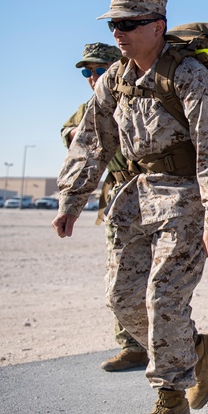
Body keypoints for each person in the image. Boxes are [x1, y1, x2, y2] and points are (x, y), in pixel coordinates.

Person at [52, 0, 208, 414]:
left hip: (184, 200)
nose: (118, 32)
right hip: (133, 199)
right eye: (114, 24)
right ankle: (198, 349)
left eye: (129, 24)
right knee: (122, 299)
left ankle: (170, 406)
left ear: (157, 26)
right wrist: (71, 198)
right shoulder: (114, 78)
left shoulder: (189, 75)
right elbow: (92, 141)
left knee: (163, 298)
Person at [62, 42, 149, 372]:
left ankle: (178, 345)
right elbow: (69, 132)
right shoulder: (91, 107)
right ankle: (132, 345)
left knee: (157, 278)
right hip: (119, 198)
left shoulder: (139, 98)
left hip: (152, 194)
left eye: (98, 69)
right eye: (87, 71)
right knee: (120, 275)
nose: (92, 76)